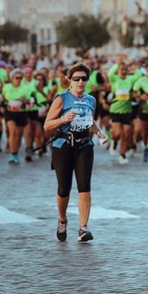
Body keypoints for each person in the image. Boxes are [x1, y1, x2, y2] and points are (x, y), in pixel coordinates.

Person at [44, 62, 108, 242]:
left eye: (84, 79)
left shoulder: (91, 100)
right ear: (69, 80)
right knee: (64, 189)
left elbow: (91, 121)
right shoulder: (62, 99)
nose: (80, 82)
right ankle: (63, 219)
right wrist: (63, 119)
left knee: (84, 186)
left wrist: (100, 133)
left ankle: (83, 228)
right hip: (63, 146)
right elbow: (47, 124)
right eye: (76, 79)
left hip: (84, 146)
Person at [1, 68, 32, 164]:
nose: (18, 80)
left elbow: (29, 101)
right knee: (13, 131)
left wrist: (24, 101)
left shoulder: (25, 87)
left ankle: (15, 153)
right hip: (10, 112)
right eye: (16, 78)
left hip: (21, 112)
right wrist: (2, 106)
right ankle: (12, 153)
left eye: (20, 78)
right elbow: (3, 98)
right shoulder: (7, 87)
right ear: (12, 78)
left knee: (18, 135)